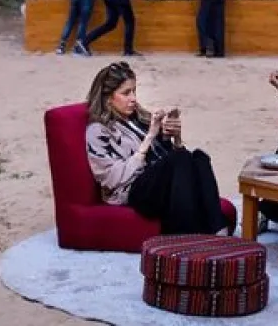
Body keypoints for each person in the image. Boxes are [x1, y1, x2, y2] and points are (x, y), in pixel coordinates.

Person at [83, 61, 229, 235]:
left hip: (159, 182)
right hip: (132, 190)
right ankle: (185, 235)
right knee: (180, 158)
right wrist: (149, 137)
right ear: (108, 98)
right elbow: (110, 179)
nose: (133, 99)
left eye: (134, 91)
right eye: (126, 93)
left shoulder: (139, 117)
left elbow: (170, 159)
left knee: (199, 157)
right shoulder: (99, 130)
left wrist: (175, 137)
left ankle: (220, 230)